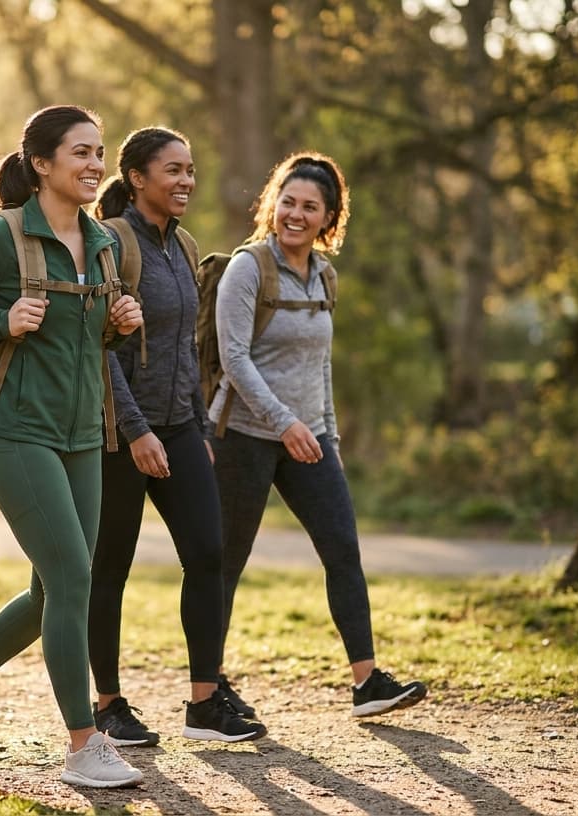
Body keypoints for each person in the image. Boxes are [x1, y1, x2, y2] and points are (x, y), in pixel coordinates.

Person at [0, 105, 146, 788]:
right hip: (13, 432)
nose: (95, 165)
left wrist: (119, 321)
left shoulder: (102, 242)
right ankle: (83, 746)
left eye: (99, 152)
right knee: (74, 578)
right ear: (42, 164)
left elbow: (85, 336)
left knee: (54, 592)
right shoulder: (1, 239)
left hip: (81, 436)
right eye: (80, 153)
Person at [209, 151, 428, 718]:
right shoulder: (248, 268)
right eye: (288, 202)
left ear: (329, 217)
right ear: (272, 205)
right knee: (227, 561)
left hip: (310, 438)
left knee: (342, 549)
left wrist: (326, 433)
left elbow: (319, 364)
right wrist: (285, 423)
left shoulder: (325, 274)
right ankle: (209, 687)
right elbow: (234, 358)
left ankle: (367, 683)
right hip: (245, 436)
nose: (296, 215)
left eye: (310, 207)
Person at [87, 126, 266, 747]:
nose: (186, 180)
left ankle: (204, 701)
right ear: (137, 178)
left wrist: (194, 422)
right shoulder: (111, 243)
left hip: (180, 427)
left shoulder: (185, 247)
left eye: (190, 169)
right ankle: (107, 704)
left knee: (209, 555)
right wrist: (135, 430)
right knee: (110, 567)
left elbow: (187, 346)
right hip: (117, 433)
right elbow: (100, 349)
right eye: (173, 170)